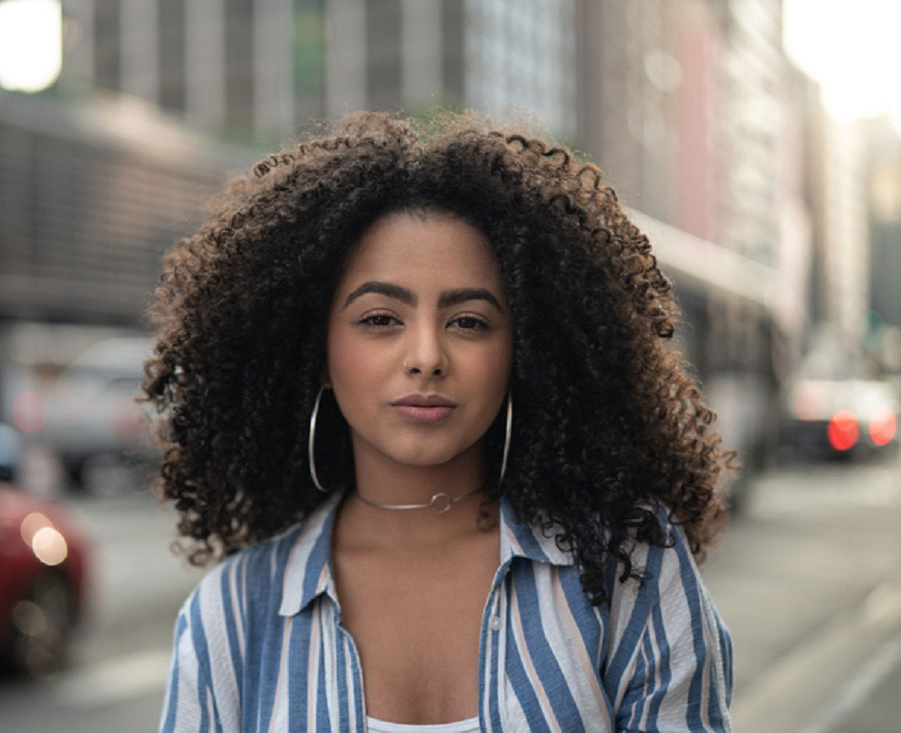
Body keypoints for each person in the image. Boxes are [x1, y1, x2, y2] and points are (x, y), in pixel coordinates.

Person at [145, 110, 735, 732]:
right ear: (316, 355)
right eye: (380, 319)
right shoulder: (231, 617)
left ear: (524, 353)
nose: (426, 356)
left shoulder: (630, 572)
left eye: (469, 321)